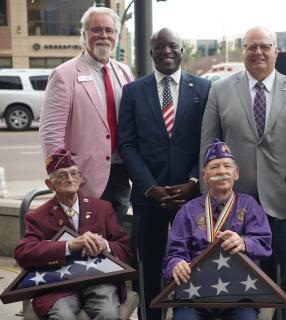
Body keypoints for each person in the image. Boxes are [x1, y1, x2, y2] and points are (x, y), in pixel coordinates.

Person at [200, 26, 286, 319]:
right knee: (239, 274)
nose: (258, 52)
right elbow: (207, 145)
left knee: (284, 276)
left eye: (264, 46)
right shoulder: (219, 89)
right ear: (242, 52)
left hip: (285, 200)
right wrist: (209, 196)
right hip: (234, 202)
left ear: (275, 52)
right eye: (251, 47)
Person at [118, 28, 211, 319]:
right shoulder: (133, 91)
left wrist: (194, 181)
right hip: (150, 197)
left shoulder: (205, 88)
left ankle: (190, 312)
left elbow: (209, 140)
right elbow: (127, 144)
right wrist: (149, 187)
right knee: (149, 263)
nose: (166, 51)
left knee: (195, 261)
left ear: (183, 51)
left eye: (173, 46)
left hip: (191, 196)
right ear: (151, 52)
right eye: (160, 47)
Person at [14, 148, 132, 320]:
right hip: (58, 284)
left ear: (80, 178)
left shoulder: (102, 208)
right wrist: (68, 246)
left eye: (74, 173)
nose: (70, 179)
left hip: (99, 279)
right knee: (62, 316)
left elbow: (125, 249)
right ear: (50, 184)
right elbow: (23, 253)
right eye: (62, 175)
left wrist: (105, 245)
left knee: (107, 313)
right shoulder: (38, 216)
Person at [39, 6, 134, 218]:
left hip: (120, 173)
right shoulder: (64, 75)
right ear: (84, 34)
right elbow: (51, 133)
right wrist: (62, 176)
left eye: (109, 31)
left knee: (115, 238)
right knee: (85, 242)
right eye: (96, 30)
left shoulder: (124, 71)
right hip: (81, 177)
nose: (103, 36)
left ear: (117, 36)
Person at [164, 139, 272, 320]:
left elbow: (265, 244)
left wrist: (244, 242)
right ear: (204, 176)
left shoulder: (250, 205)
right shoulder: (188, 210)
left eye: (227, 166)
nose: (222, 171)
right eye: (214, 167)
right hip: (194, 293)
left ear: (236, 173)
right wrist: (176, 265)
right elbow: (174, 253)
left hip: (240, 293)